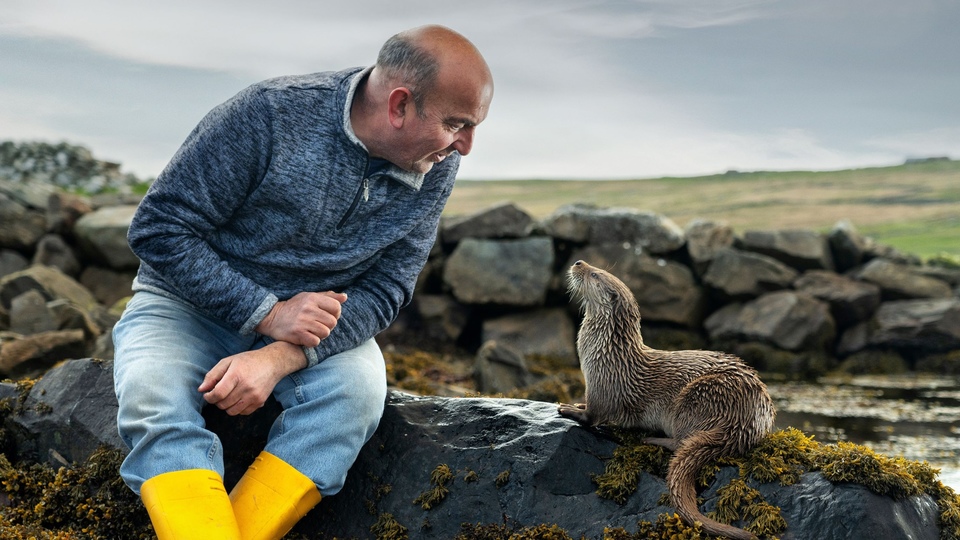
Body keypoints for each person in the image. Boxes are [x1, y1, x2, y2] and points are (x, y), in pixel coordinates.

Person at [112, 25, 493, 540]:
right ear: (399, 105)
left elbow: (388, 290)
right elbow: (158, 229)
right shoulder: (267, 114)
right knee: (151, 397)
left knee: (356, 397)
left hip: (316, 327)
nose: (466, 146)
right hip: (184, 306)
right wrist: (268, 314)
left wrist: (279, 354)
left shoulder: (434, 163)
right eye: (457, 124)